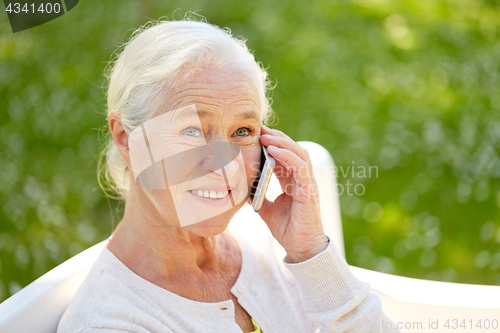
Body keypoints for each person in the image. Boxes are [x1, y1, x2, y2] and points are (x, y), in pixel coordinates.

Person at [57, 16, 400, 333]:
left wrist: (310, 252)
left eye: (242, 131)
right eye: (192, 131)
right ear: (127, 140)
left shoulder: (268, 241)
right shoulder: (110, 323)